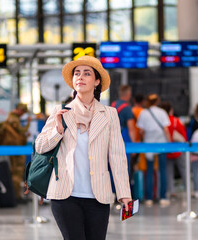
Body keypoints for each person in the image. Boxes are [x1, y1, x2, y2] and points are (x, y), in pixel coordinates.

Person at [35, 56, 131, 240]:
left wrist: (124, 193)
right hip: (64, 196)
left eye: (87, 73)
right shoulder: (60, 111)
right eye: (77, 73)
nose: (80, 77)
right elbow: (40, 146)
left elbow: (117, 157)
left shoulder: (109, 114)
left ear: (96, 82)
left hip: (99, 196)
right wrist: (58, 130)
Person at [137, 94, 171, 207]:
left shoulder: (144, 113)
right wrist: (170, 142)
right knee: (162, 170)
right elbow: (166, 129)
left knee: (150, 171)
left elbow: (141, 131)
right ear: (157, 101)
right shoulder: (162, 112)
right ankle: (163, 197)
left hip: (148, 145)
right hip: (162, 144)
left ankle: (149, 198)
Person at [4, 103, 31, 202]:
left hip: (15, 147)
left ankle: (16, 195)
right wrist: (28, 123)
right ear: (20, 110)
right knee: (17, 172)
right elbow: (21, 130)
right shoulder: (13, 118)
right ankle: (16, 196)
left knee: (17, 172)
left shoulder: (11, 117)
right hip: (16, 148)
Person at [160, 102, 186, 198]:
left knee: (168, 172)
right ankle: (187, 189)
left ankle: (171, 191)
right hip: (178, 149)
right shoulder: (176, 120)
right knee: (184, 170)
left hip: (166, 150)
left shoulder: (162, 122)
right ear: (171, 110)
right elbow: (183, 135)